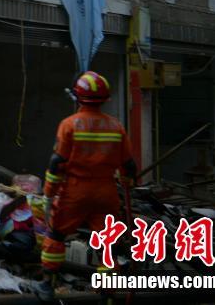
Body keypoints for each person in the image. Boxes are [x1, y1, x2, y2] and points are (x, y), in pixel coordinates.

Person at [40, 71, 137, 295]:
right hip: (106, 192)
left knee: (56, 235)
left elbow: (58, 163)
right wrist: (127, 181)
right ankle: (107, 291)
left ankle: (47, 285)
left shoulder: (69, 125)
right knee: (107, 243)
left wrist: (49, 192)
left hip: (74, 191)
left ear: (77, 97)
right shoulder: (116, 126)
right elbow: (129, 164)